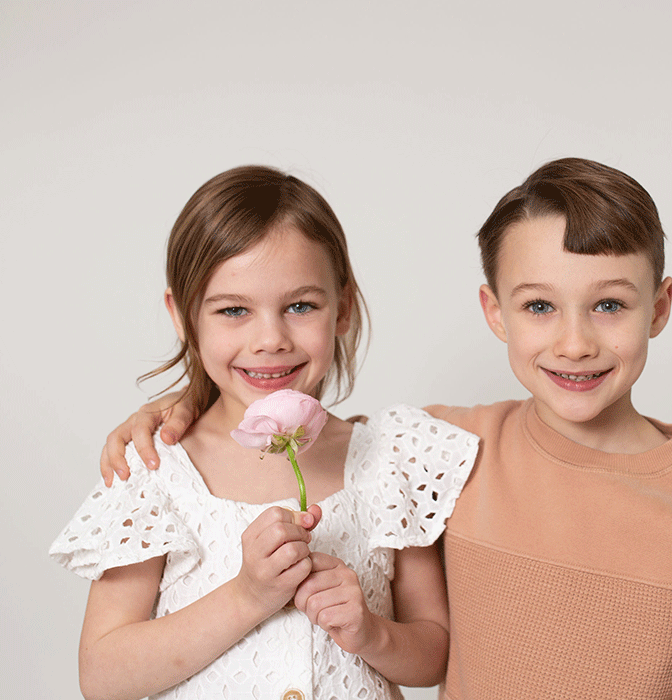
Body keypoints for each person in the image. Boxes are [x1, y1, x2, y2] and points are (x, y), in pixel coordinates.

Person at [100, 158, 672, 698]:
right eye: (540, 307)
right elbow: (292, 430)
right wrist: (175, 410)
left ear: (658, 308)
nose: (574, 343)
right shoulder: (441, 452)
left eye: (609, 305)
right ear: (494, 311)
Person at [50, 165, 479, 700]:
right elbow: (103, 677)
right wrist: (247, 596)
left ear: (342, 307)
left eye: (301, 306)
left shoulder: (388, 461)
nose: (270, 338)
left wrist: (371, 633)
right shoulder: (155, 470)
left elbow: (433, 655)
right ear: (183, 317)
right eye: (234, 310)